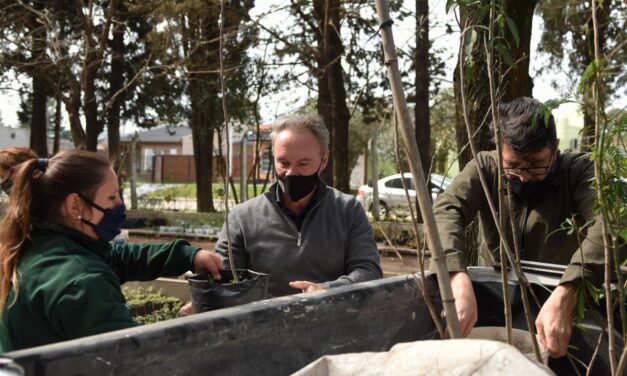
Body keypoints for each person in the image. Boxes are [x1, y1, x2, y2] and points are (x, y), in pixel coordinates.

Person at [431, 97, 619, 358]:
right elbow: (446, 209)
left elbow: (609, 223)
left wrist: (569, 291)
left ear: (555, 147)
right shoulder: (486, 167)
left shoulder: (577, 172)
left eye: (535, 164)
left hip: (561, 302)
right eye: (513, 166)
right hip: (495, 300)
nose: (524, 176)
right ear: (499, 150)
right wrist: (455, 275)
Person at [0, 150, 224, 352]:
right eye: (111, 197)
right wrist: (189, 325)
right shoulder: (82, 282)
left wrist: (187, 256)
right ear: (76, 206)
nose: (119, 205)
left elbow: (118, 257)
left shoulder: (37, 244)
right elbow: (135, 359)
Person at [215, 114, 383, 297]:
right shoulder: (242, 218)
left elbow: (369, 272)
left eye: (303, 164)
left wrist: (326, 290)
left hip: (330, 319)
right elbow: (223, 279)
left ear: (323, 160)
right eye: (283, 163)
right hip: (265, 322)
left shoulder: (348, 211)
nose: (291, 173)